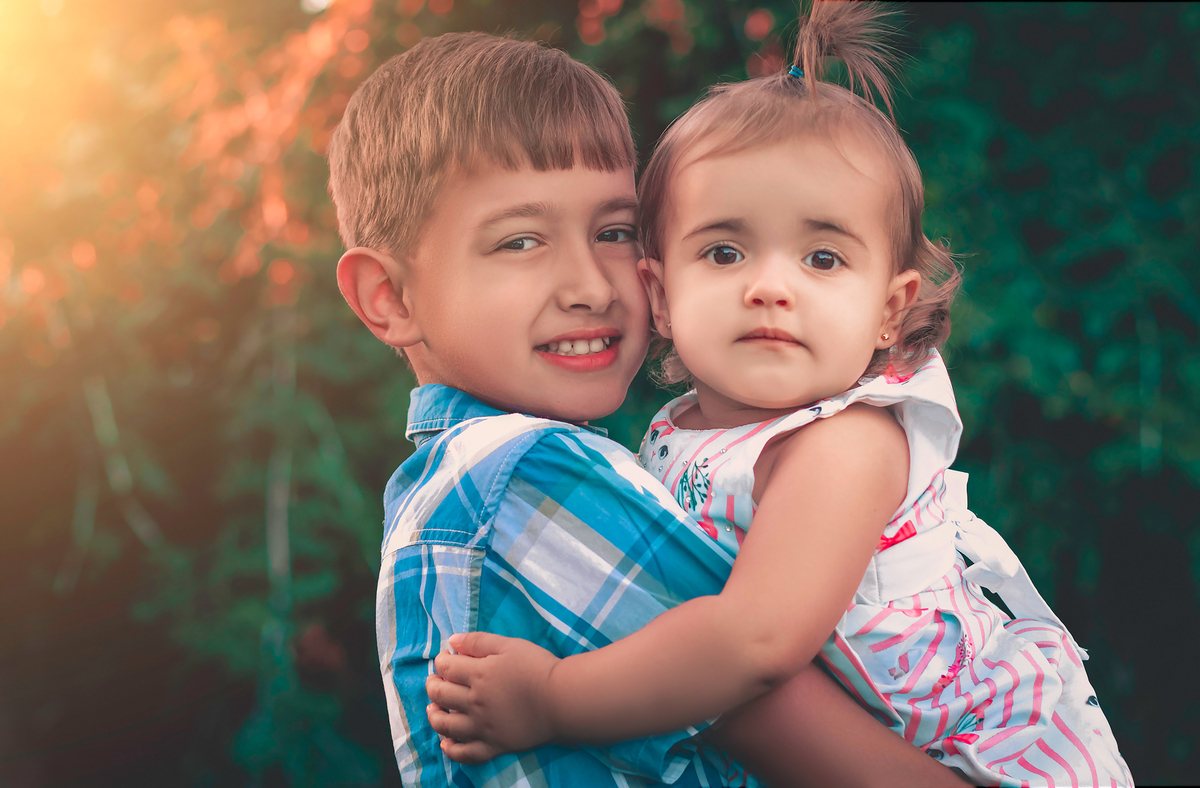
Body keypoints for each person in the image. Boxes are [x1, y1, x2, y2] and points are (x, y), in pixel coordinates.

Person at [423, 4, 1135, 787]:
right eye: (725, 251)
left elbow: (751, 644)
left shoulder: (848, 443)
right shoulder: (672, 431)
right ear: (659, 295)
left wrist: (555, 699)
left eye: (823, 258)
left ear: (889, 308)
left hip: (980, 755)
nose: (769, 287)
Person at [330, 28, 968, 788]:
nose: (593, 286)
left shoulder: (441, 490)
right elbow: (811, 729)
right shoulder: (529, 478)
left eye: (615, 232)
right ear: (390, 298)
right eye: (521, 242)